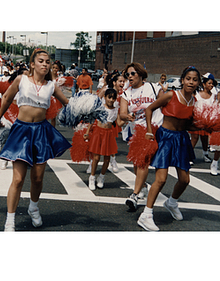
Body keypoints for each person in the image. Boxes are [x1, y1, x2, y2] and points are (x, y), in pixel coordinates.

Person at [0, 49, 71, 231]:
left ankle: (33, 208)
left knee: (37, 178)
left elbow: (69, 104)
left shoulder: (51, 86)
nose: (45, 64)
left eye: (48, 62)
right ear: (32, 64)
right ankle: (10, 220)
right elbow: (6, 98)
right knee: (18, 179)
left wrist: (86, 109)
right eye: (41, 61)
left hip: (41, 132)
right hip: (22, 131)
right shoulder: (21, 80)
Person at [137, 66, 201, 231]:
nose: (191, 82)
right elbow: (149, 109)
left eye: (194, 79)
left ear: (198, 82)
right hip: (165, 138)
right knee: (161, 179)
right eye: (188, 79)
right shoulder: (171, 95)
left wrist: (206, 126)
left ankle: (171, 202)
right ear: (182, 80)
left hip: (181, 140)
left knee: (185, 180)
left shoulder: (195, 101)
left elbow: (190, 125)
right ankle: (146, 215)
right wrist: (150, 131)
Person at [120, 62, 163, 211]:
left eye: (132, 73)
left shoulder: (153, 88)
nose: (129, 77)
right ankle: (143, 186)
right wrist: (128, 116)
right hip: (137, 131)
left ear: (140, 74)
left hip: (154, 129)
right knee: (136, 163)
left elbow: (164, 104)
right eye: (127, 75)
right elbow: (122, 113)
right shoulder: (126, 93)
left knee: (143, 161)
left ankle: (135, 194)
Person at [84, 88, 123, 190]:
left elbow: (119, 123)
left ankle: (101, 177)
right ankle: (92, 177)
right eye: (109, 97)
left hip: (108, 134)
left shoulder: (116, 110)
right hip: (98, 132)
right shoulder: (100, 107)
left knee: (107, 158)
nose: (111, 100)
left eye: (113, 98)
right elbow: (92, 120)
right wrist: (87, 132)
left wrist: (128, 119)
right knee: (96, 157)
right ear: (105, 97)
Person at [190, 72, 217, 163]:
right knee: (194, 138)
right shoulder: (197, 94)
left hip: (207, 121)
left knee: (205, 139)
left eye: (212, 83)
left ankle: (205, 155)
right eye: (209, 83)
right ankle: (188, 156)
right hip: (196, 120)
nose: (211, 85)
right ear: (204, 84)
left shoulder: (213, 96)